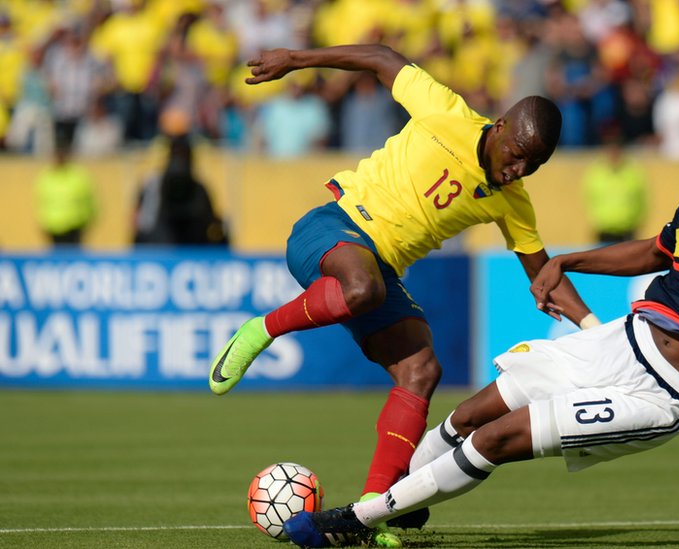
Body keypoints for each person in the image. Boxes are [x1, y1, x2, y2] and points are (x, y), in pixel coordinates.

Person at [277, 107, 679, 548]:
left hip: (662, 393)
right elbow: (657, 252)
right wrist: (569, 260)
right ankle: (406, 504)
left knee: (498, 440)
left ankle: (360, 519)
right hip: (620, 342)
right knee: (468, 415)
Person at [210, 44, 598, 547]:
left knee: (421, 370)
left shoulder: (511, 201)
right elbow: (379, 56)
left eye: (535, 164)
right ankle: (260, 329)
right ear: (500, 126)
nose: (520, 169)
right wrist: (298, 60)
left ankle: (370, 517)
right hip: (331, 229)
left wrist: (596, 331)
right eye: (518, 154)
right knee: (363, 286)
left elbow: (542, 273)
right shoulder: (445, 111)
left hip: (377, 274)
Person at [133, 129, 227, 245]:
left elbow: (210, 224)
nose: (179, 164)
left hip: (194, 246)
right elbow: (140, 223)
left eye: (183, 156)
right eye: (176, 156)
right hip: (160, 245)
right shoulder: (154, 186)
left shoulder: (199, 188)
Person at [581, 125, 647, 244]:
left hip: (627, 231)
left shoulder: (633, 172)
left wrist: (636, 222)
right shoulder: (596, 172)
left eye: (616, 147)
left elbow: (641, 201)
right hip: (604, 231)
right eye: (609, 148)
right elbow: (590, 199)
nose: (613, 152)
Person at [34, 136, 97, 245]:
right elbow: (42, 202)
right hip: (52, 227)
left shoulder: (78, 175)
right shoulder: (46, 176)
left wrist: (87, 221)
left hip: (75, 226)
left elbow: (90, 201)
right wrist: (43, 223)